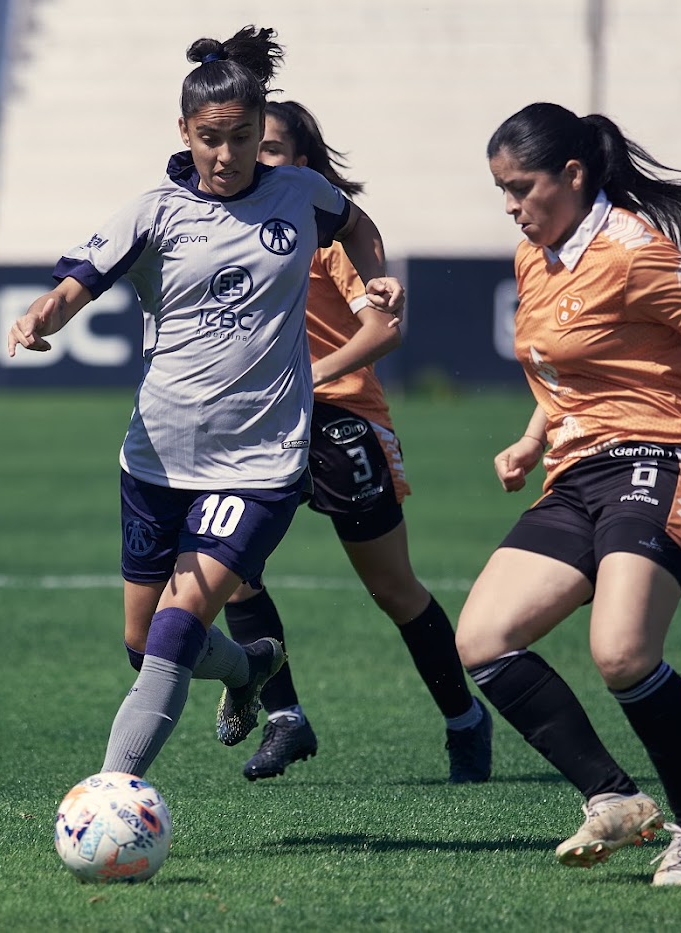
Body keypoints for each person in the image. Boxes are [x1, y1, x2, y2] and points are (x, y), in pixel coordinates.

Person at [6, 26, 404, 779]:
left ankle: (112, 795)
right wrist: (37, 317)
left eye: (244, 138)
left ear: (262, 131)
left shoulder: (300, 194)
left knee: (173, 630)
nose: (227, 155)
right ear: (183, 131)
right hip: (156, 456)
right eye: (210, 139)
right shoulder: (152, 212)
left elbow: (357, 225)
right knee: (143, 641)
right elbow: (73, 287)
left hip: (258, 461)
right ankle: (248, 666)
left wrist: (375, 276)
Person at [454, 102, 681, 886]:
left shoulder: (631, 251)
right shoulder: (537, 254)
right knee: (483, 639)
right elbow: (570, 366)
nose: (511, 206)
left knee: (622, 653)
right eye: (501, 190)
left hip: (661, 462)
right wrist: (534, 434)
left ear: (574, 175)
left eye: (521, 188)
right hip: (577, 472)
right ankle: (614, 799)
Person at [222, 101, 492, 784]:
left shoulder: (324, 234)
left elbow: (385, 331)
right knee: (229, 570)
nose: (259, 160)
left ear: (305, 165)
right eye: (256, 147)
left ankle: (466, 717)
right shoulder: (220, 226)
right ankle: (286, 717)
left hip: (342, 418)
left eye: (274, 149)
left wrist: (307, 379)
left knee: (393, 588)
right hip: (261, 424)